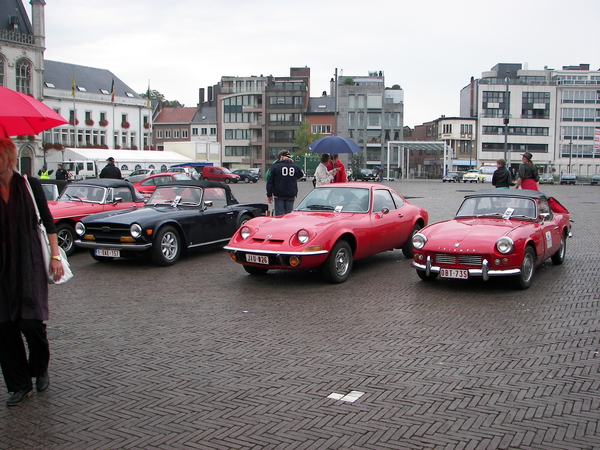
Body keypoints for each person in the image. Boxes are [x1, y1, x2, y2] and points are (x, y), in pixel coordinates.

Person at [0, 137, 63, 406]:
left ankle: (39, 368)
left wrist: (55, 255)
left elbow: (47, 221)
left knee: (31, 323)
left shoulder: (28, 185)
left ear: (7, 158)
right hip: (2, 268)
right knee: (4, 328)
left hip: (29, 262)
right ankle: (19, 385)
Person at [266, 150, 304, 216]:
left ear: (280, 157)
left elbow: (270, 182)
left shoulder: (275, 166)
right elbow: (300, 174)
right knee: (289, 215)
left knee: (279, 215)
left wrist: (269, 194)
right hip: (291, 194)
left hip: (279, 194)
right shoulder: (294, 166)